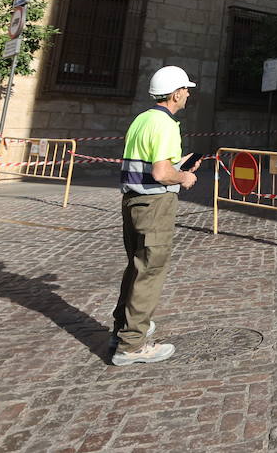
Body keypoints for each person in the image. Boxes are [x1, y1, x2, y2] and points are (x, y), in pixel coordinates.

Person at [110, 65, 201, 365]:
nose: (188, 94)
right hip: (154, 206)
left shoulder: (142, 119)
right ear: (175, 94)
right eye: (186, 89)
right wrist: (184, 178)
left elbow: (155, 163)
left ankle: (122, 328)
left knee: (136, 268)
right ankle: (132, 345)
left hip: (132, 202)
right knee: (149, 272)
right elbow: (162, 173)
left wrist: (181, 165)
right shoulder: (167, 125)